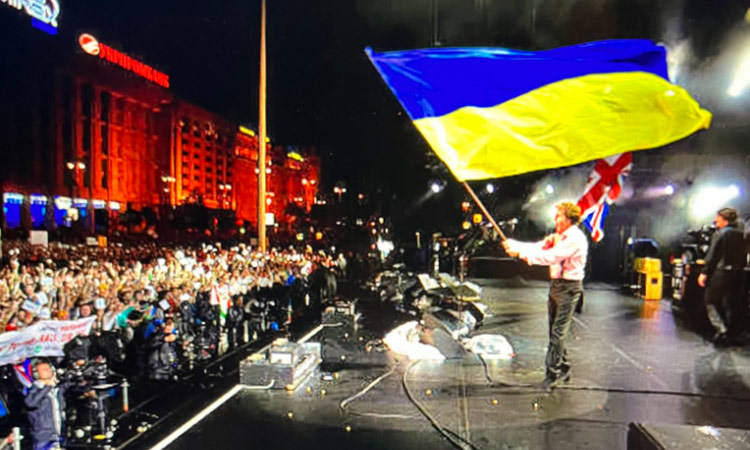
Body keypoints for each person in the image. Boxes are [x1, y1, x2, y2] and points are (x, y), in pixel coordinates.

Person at [502, 202, 588, 391]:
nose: (555, 219)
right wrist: (515, 245)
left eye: (559, 216)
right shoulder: (558, 236)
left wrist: (522, 254)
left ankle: (553, 375)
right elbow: (539, 247)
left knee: (557, 333)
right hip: (557, 286)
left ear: (569, 219)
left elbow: (551, 257)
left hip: (569, 288)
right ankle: (564, 367)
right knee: (554, 333)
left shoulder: (575, 239)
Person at [697, 207, 747, 345]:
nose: (715, 221)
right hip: (737, 272)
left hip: (720, 272)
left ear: (724, 220)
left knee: (710, 301)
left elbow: (713, 256)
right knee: (729, 302)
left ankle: (721, 330)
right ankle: (732, 332)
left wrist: (704, 272)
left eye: (718, 218)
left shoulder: (720, 234)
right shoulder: (741, 234)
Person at [24, 359, 71, 450]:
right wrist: (47, 387)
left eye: (49, 369)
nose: (48, 371)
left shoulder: (56, 389)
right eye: (44, 370)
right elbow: (30, 403)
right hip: (44, 437)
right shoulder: (33, 389)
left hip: (59, 434)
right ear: (36, 374)